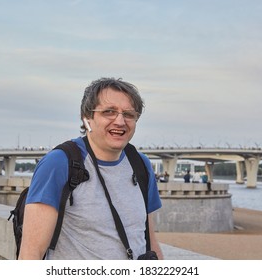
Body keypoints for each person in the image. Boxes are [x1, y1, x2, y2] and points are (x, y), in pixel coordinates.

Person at [19, 78, 163, 260]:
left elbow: (149, 241)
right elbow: (30, 253)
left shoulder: (140, 165)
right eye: (109, 112)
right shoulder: (59, 163)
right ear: (87, 119)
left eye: (128, 114)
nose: (120, 121)